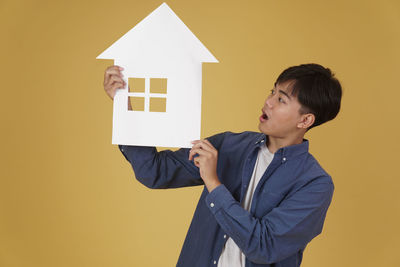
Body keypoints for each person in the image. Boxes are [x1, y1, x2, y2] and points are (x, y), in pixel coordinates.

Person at [102, 63, 342, 267]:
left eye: (281, 99)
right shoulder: (229, 145)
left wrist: (214, 183)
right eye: (272, 92)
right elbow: (155, 171)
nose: (268, 102)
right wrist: (125, 110)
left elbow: (263, 246)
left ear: (305, 120)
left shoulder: (314, 184)